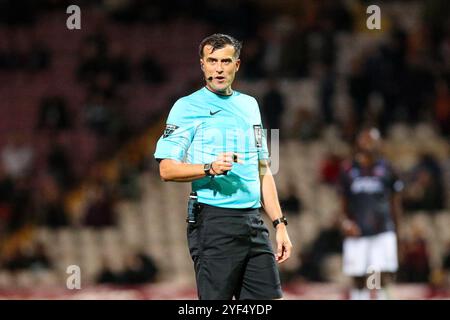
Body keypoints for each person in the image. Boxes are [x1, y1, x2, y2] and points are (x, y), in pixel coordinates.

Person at [153, 34, 292, 300]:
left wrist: (280, 224)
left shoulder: (250, 105)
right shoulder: (186, 107)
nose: (219, 68)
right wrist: (209, 168)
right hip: (215, 222)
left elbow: (263, 169)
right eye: (212, 61)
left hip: (254, 222)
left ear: (236, 65)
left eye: (225, 61)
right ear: (202, 64)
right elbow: (166, 170)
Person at [339, 128, 403, 300]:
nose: (369, 144)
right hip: (357, 232)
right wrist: (345, 223)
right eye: (365, 140)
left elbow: (395, 204)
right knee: (358, 278)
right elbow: (342, 204)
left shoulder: (389, 168)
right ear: (358, 143)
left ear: (379, 143)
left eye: (372, 140)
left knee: (381, 277)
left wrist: (398, 233)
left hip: (383, 231)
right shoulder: (347, 170)